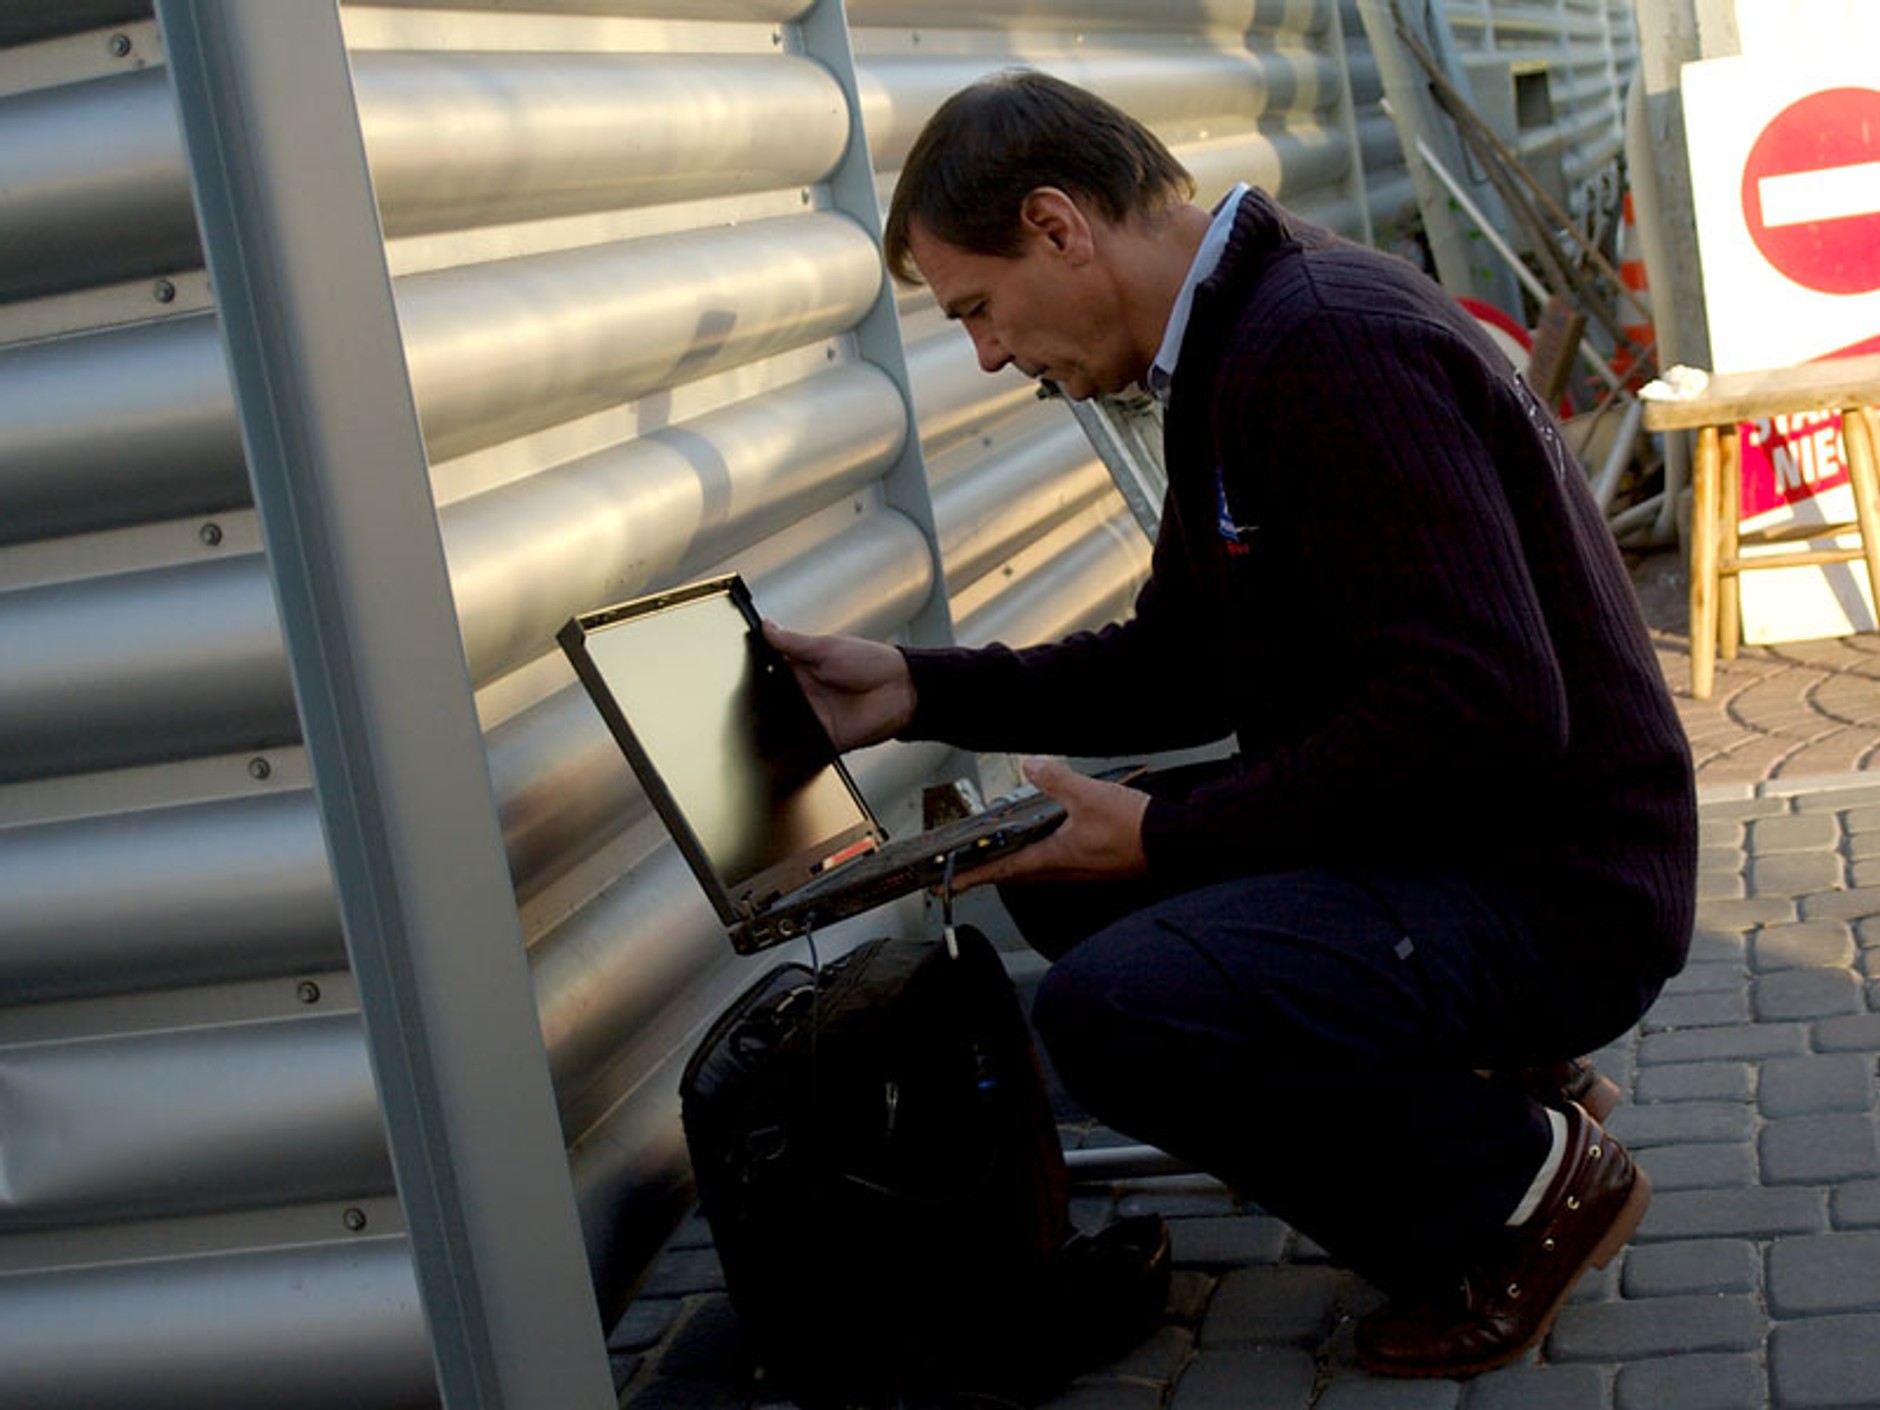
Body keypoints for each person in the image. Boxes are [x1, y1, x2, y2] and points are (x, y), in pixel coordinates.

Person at [763, 69, 1695, 1378]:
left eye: (977, 308)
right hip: (1473, 842)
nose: (986, 352)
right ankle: (1489, 1085)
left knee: (1116, 1009)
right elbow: (1182, 659)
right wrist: (917, 685)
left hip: (1556, 885)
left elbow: (1482, 706)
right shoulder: (1239, 343)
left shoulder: (1318, 343)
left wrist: (1166, 832)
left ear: (1057, 226)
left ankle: (1520, 1188)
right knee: (1069, 889)